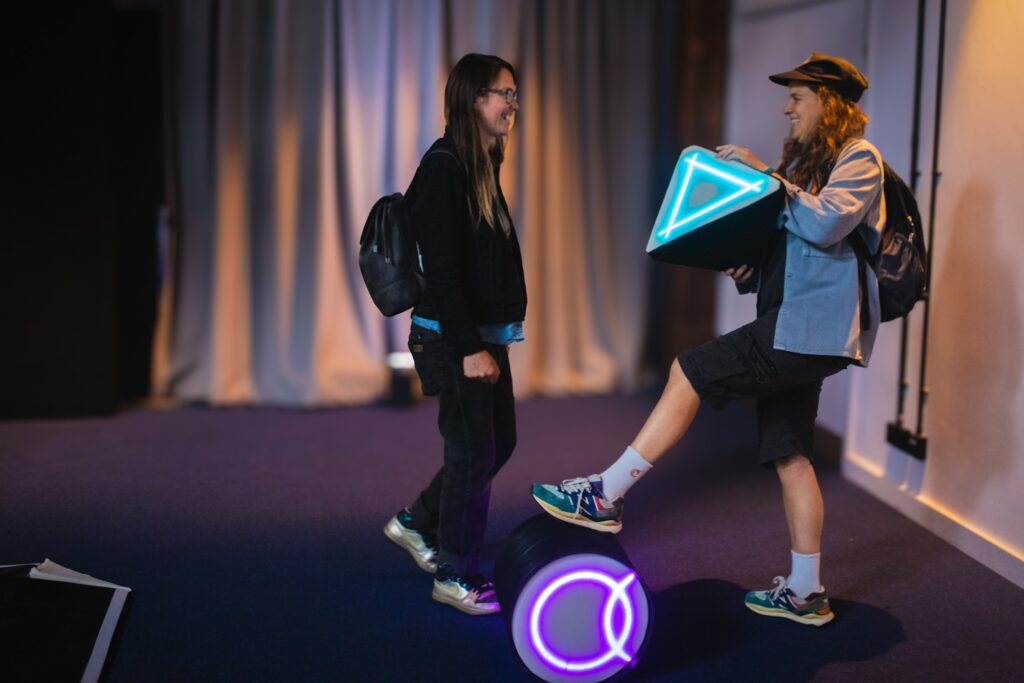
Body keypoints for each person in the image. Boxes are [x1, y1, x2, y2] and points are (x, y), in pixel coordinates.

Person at [531, 53, 884, 627]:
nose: (788, 108)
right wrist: (750, 265)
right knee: (791, 454)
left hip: (809, 331)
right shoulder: (808, 167)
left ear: (829, 103)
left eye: (798, 97)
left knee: (690, 370)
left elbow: (825, 225)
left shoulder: (859, 157)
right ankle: (806, 593)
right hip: (794, 323)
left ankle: (604, 495)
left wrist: (769, 178)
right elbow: (797, 251)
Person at [383, 53, 526, 616]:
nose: (513, 104)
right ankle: (455, 573)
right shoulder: (445, 167)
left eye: (514, 94)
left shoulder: (476, 164)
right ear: (473, 98)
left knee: (498, 442)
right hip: (453, 338)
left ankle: (417, 521)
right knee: (472, 453)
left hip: (479, 334)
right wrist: (468, 348)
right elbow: (441, 270)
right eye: (503, 94)